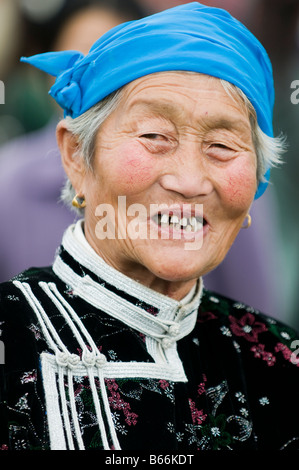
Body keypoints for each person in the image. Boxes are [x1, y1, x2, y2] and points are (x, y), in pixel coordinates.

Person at [0, 2, 298, 451]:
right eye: (155, 137)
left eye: (222, 145)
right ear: (77, 156)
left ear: (259, 179)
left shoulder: (282, 359)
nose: (189, 181)